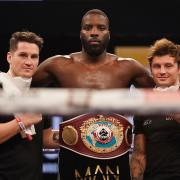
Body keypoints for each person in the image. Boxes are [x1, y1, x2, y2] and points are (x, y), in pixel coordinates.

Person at [32, 9, 154, 180]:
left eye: (101, 28)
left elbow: (161, 94)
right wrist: (44, 127)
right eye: (88, 28)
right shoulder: (58, 65)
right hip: (73, 159)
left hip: (115, 158)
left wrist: (141, 132)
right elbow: (24, 90)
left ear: (108, 34)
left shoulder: (129, 67)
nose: (94, 32)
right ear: (80, 33)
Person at [0, 31, 59, 180]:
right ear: (9, 57)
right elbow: (25, 122)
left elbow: (45, 138)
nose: (29, 62)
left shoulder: (37, 94)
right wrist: (22, 121)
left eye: (34, 56)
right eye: (23, 55)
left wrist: (77, 135)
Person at [130, 38, 180, 180]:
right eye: (157, 66)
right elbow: (139, 154)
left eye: (168, 66)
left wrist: (170, 105)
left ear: (179, 68)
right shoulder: (144, 104)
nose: (162, 71)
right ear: (151, 70)